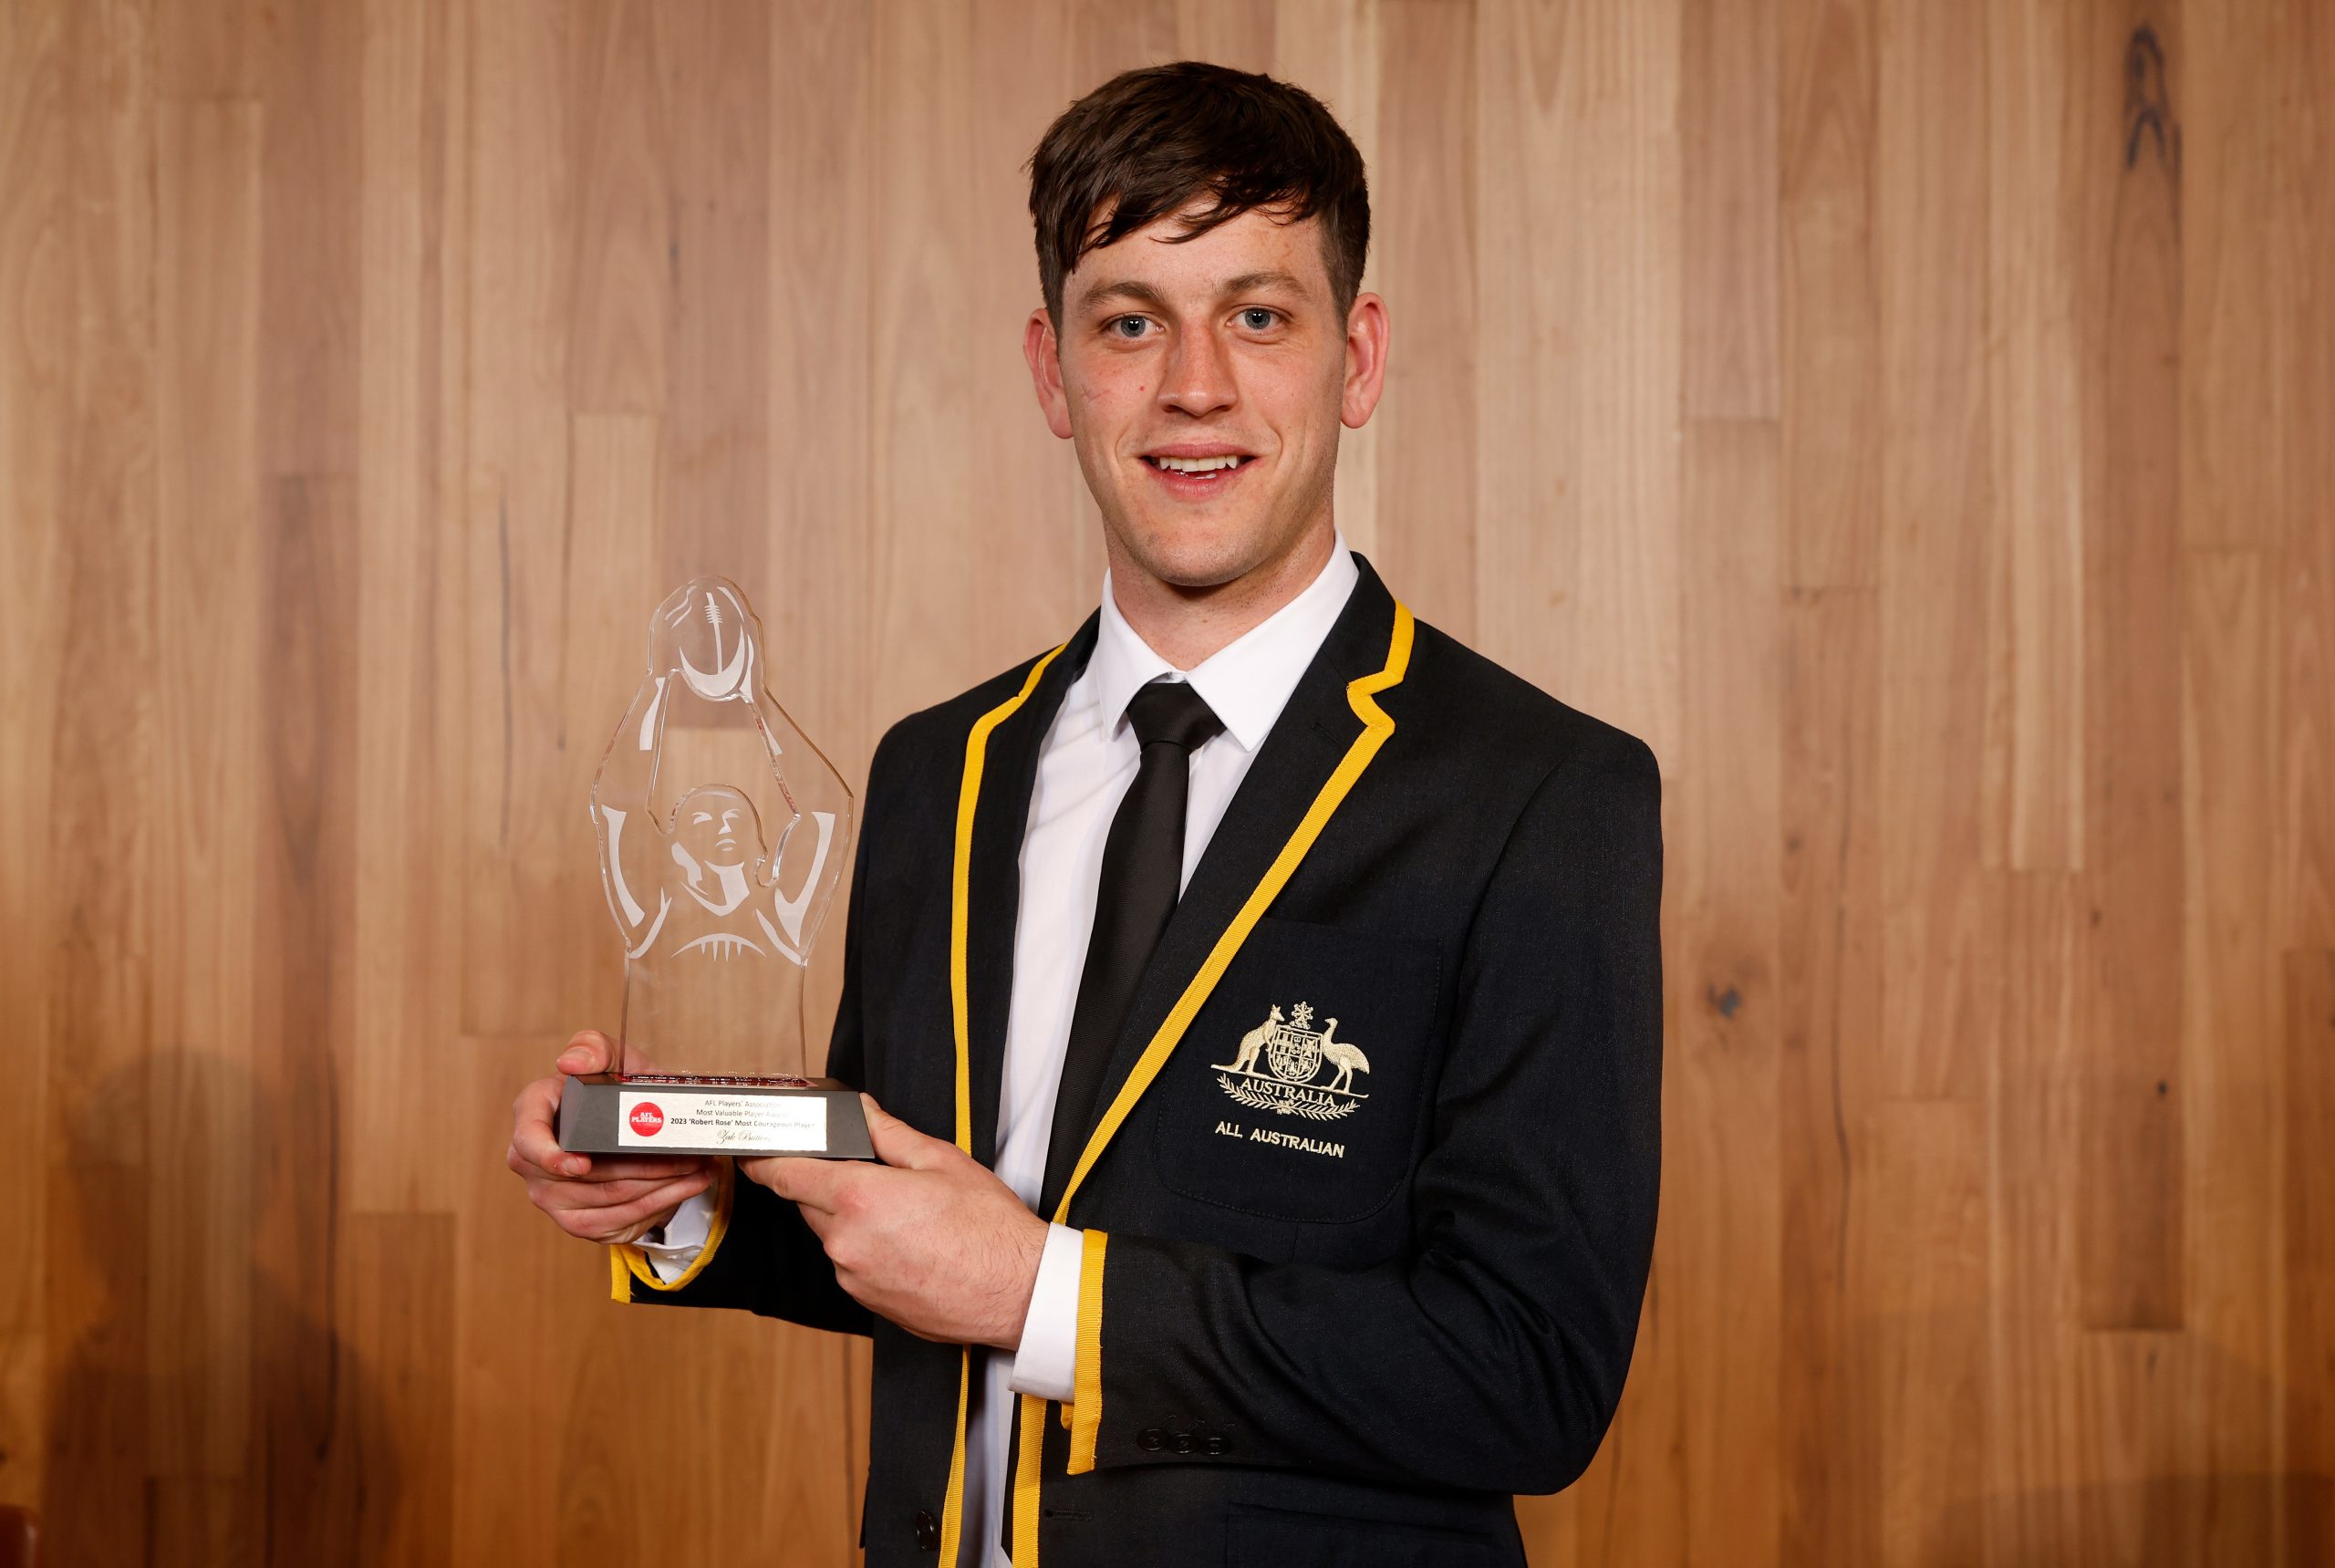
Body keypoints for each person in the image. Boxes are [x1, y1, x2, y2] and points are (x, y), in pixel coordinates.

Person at [507, 59, 1663, 1568]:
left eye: (1259, 315)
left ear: (1356, 361)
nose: (1196, 385)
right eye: (1131, 322)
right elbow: (904, 1221)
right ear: (1055, 374)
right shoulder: (942, 768)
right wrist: (687, 1198)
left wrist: (1042, 1297)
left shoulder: (1536, 793)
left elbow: (1529, 1376)